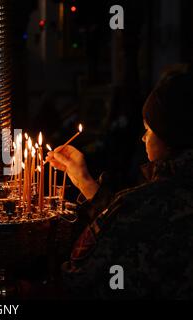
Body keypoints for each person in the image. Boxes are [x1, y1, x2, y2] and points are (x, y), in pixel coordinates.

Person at [46, 68, 193, 298]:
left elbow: (80, 278)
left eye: (148, 130)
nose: (143, 138)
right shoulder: (155, 196)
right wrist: (85, 182)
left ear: (169, 137)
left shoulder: (143, 204)